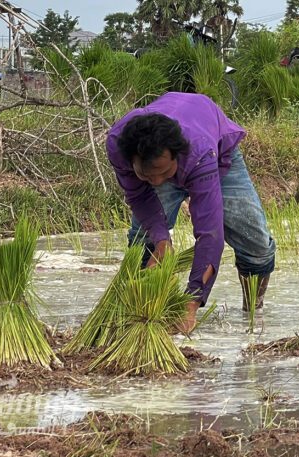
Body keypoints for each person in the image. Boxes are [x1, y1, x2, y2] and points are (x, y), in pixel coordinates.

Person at [106, 92, 276, 332]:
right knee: (143, 242)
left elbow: (210, 233)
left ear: (177, 157)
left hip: (214, 154)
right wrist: (162, 241)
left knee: (255, 243)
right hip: (166, 153)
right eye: (146, 175)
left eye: (163, 174)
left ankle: (253, 316)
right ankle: (144, 316)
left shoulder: (198, 152)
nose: (156, 182)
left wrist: (192, 301)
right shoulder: (118, 145)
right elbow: (139, 196)